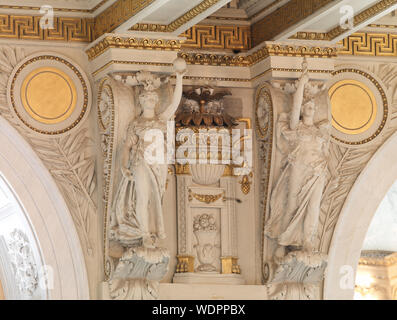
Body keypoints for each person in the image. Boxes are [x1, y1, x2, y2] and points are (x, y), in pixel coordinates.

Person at [110, 60, 186, 248]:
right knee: (143, 196)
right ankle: (144, 234)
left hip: (158, 164)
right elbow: (126, 147)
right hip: (141, 162)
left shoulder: (161, 120)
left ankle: (150, 230)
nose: (149, 100)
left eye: (152, 98)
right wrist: (123, 166)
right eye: (145, 98)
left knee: (154, 199)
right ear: (141, 101)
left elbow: (175, 103)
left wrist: (180, 77)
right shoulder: (135, 124)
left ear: (156, 101)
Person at [264, 65, 331, 257]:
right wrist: (301, 83)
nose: (312, 109)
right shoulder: (297, 128)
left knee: (313, 207)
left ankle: (308, 242)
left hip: (317, 172)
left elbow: (325, 152)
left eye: (313, 107)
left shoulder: (320, 132)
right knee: (291, 203)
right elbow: (294, 108)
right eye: (308, 106)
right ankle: (283, 241)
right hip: (298, 169)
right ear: (302, 109)